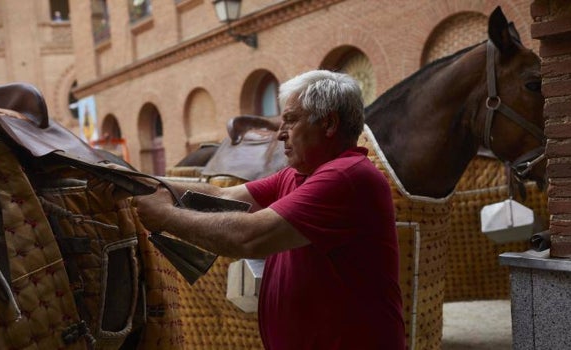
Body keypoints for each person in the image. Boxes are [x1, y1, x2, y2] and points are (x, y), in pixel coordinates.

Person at [133, 70, 405, 349]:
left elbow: (248, 237)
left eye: (290, 120)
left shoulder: (346, 177)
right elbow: (221, 196)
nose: (280, 134)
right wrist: (141, 182)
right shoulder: (297, 175)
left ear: (329, 124)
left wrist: (165, 216)